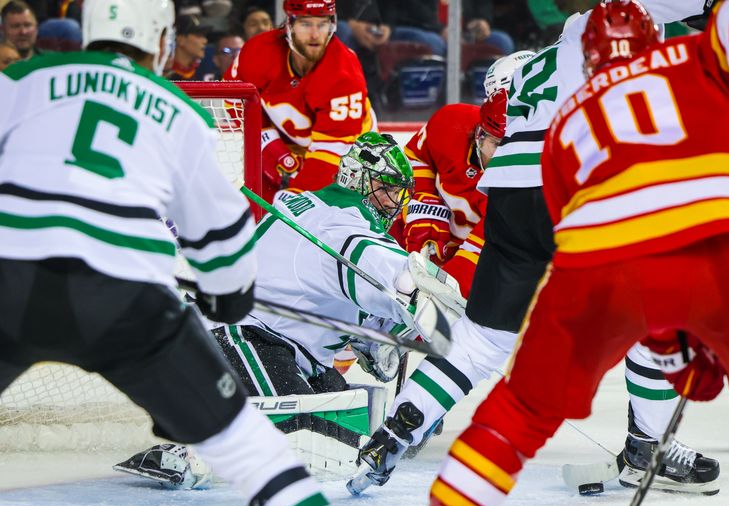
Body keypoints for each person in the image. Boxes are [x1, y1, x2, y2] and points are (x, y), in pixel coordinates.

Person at [421, 0, 729, 506]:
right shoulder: (678, 59)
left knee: (529, 392)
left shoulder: (572, 111)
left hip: (629, 239)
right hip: (712, 236)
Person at [348, 0, 722, 497]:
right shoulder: (622, 49)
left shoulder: (550, 56)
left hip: (513, 194)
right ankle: (647, 451)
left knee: (480, 343)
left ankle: (395, 431)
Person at [0, 1, 345, 506]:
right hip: (123, 296)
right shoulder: (176, 108)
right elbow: (226, 242)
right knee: (252, 451)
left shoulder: (20, 79)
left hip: (11, 279)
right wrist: (225, 300)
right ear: (161, 39)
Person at [113, 132, 467, 489]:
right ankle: (189, 450)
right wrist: (436, 307)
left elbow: (365, 321)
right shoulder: (343, 224)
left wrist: (383, 342)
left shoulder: (314, 209)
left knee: (347, 441)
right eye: (386, 188)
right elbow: (399, 276)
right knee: (302, 443)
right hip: (238, 337)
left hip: (284, 352)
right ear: (358, 179)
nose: (394, 201)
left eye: (398, 191)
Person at [224, 0, 375, 203]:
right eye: (305, 24)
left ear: (332, 24)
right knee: (253, 214)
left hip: (351, 154)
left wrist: (295, 197)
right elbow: (233, 101)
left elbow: (331, 154)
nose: (314, 34)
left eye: (321, 24)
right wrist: (272, 147)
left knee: (323, 219)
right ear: (289, 24)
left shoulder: (344, 75)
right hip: (287, 143)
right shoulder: (258, 51)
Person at [393, 89, 508, 299]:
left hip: (481, 262)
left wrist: (443, 294)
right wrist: (423, 201)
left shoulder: (530, 180)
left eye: (512, 145)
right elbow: (416, 156)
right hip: (433, 243)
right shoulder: (450, 124)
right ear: (479, 135)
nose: (504, 157)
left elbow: (482, 247)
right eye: (498, 145)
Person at [166, 14, 211, 80]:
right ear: (180, 39)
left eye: (204, 36)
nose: (205, 41)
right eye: (198, 35)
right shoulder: (162, 73)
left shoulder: (201, 74)